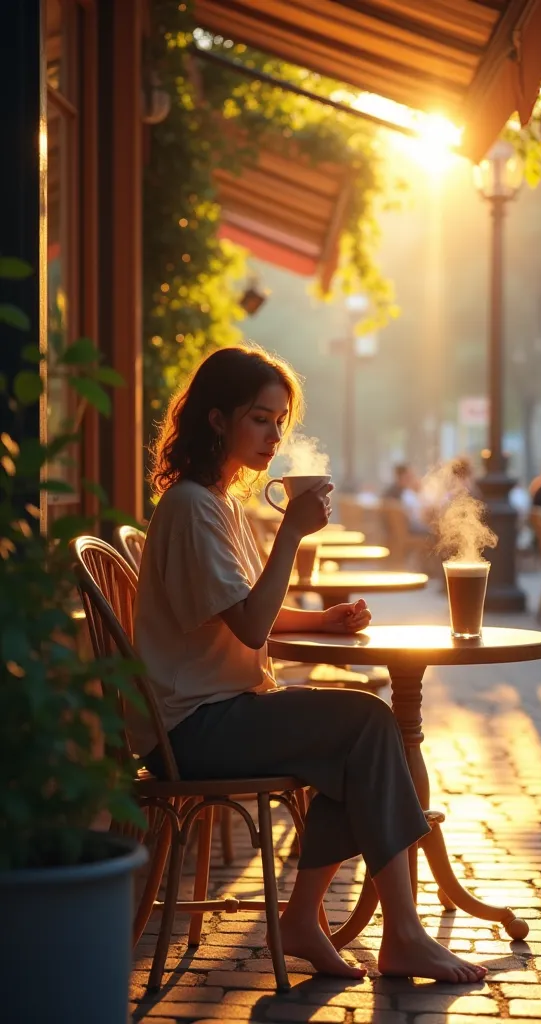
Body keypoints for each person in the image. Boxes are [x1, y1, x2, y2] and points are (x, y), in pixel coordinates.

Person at [134, 345, 486, 985]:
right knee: (367, 725)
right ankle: (398, 934)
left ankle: (310, 919)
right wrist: (293, 533)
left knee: (359, 737)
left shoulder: (217, 502)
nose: (274, 436)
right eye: (260, 419)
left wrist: (320, 619)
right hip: (192, 726)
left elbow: (241, 610)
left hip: (223, 710)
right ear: (218, 419)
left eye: (279, 421)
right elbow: (247, 623)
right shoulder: (191, 506)